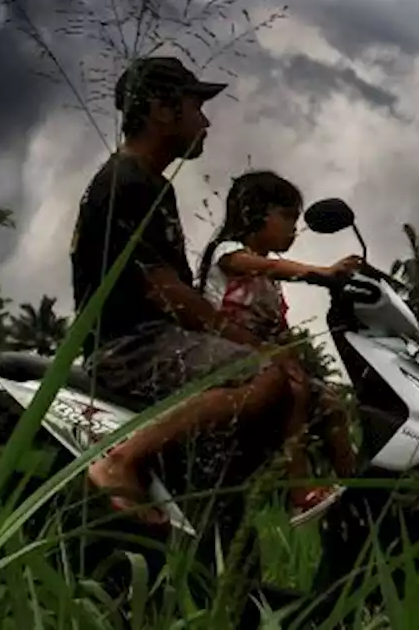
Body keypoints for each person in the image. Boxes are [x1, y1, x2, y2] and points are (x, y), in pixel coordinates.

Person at [72, 55, 295, 527]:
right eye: (197, 107)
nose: (206, 121)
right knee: (263, 375)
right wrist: (252, 344)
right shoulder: (125, 183)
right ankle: (121, 460)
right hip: (129, 347)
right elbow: (166, 291)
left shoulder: (153, 185)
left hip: (156, 342)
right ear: (162, 109)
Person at [196, 170, 361, 521]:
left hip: (261, 358)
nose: (294, 228)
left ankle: (357, 489)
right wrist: (321, 274)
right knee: (296, 390)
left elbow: (280, 330)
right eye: (287, 217)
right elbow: (266, 266)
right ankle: (299, 490)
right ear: (254, 213)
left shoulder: (271, 285)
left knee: (331, 403)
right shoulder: (229, 254)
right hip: (222, 357)